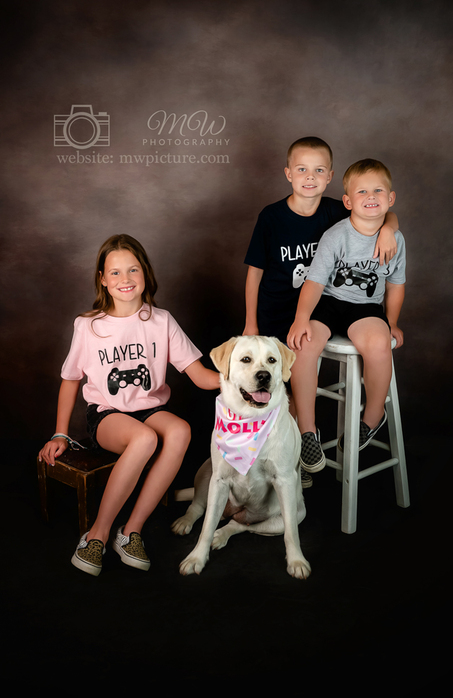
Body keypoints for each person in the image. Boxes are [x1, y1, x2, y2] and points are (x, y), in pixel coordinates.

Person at [38, 234, 219, 576]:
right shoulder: (89, 326)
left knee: (180, 430)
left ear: (145, 274)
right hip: (109, 415)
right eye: (116, 273)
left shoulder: (161, 320)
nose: (125, 279)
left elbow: (200, 376)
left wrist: (244, 377)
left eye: (132, 270)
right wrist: (60, 433)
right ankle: (97, 534)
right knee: (145, 439)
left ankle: (130, 531)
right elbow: (70, 380)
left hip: (150, 409)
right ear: (103, 280)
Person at [243, 137, 399, 486]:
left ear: (329, 176)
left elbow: (377, 208)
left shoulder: (334, 210)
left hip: (321, 309)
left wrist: (389, 228)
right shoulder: (272, 217)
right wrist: (251, 321)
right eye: (301, 169)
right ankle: (290, 460)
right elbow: (254, 271)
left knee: (296, 384)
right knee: (276, 398)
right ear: (288, 174)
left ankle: (298, 458)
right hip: (278, 314)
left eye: (317, 170)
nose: (309, 177)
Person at [287, 158, 406, 478]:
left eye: (378, 191)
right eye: (363, 191)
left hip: (364, 308)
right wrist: (301, 318)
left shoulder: (394, 240)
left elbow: (396, 285)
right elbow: (314, 281)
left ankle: (372, 416)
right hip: (328, 302)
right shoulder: (336, 235)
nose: (371, 196)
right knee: (304, 343)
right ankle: (307, 431)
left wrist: (392, 321)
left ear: (390, 199)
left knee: (379, 342)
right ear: (348, 201)